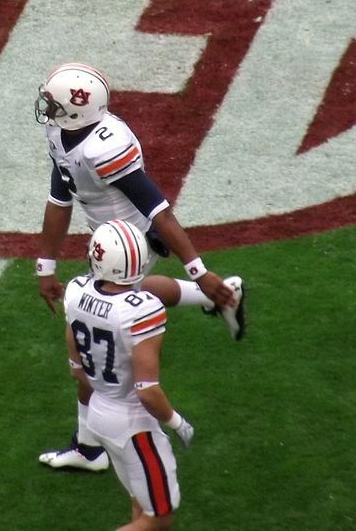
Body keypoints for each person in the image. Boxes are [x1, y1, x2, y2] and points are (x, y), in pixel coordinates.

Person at [34, 62, 245, 472]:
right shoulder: (63, 132)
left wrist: (200, 268)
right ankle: (221, 299)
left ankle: (89, 447)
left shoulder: (104, 146)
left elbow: (158, 210)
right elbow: (60, 195)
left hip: (127, 242)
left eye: (52, 101)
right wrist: (45, 265)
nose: (46, 106)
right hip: (104, 233)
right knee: (138, 295)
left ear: (76, 109)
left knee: (90, 337)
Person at [62, 219, 194, 530]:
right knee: (158, 518)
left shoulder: (76, 291)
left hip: (98, 410)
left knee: (140, 498)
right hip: (132, 423)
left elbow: (76, 367)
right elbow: (147, 389)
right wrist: (177, 422)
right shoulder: (142, 309)